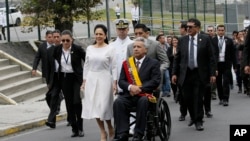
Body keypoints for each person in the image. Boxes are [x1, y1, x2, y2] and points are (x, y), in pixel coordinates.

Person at [172, 18, 216, 131]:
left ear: (197, 28)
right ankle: (193, 116)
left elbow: (211, 57)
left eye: (191, 27)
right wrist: (174, 73)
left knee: (198, 98)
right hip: (185, 74)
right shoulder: (182, 40)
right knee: (187, 98)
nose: (188, 29)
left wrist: (212, 73)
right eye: (187, 27)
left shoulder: (205, 39)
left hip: (199, 73)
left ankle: (199, 120)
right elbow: (177, 58)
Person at [113, 37, 161, 141]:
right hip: (129, 95)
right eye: (134, 47)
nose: (135, 49)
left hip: (145, 95)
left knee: (143, 101)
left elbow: (155, 80)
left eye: (138, 47)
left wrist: (140, 88)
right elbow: (121, 81)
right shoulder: (126, 63)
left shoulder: (153, 63)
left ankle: (138, 134)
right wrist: (130, 87)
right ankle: (122, 133)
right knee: (118, 102)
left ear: (145, 50)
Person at [81, 24, 117, 141]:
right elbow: (86, 65)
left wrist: (115, 82)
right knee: (95, 108)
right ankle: (102, 132)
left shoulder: (110, 48)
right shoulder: (90, 49)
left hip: (105, 78)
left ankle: (110, 127)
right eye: (96, 34)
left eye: (101, 34)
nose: (98, 36)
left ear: (105, 35)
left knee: (104, 107)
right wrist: (84, 81)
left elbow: (115, 67)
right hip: (91, 78)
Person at [53, 30, 85, 137]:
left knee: (76, 101)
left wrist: (85, 76)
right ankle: (74, 128)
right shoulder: (57, 49)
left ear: (72, 40)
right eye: (63, 40)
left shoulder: (77, 49)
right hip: (64, 78)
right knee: (69, 103)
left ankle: (80, 127)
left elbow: (87, 61)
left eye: (68, 40)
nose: (65, 42)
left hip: (75, 78)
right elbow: (51, 62)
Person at [211, 24, 237, 106]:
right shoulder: (213, 40)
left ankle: (226, 99)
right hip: (217, 64)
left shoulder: (229, 40)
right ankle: (221, 98)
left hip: (226, 64)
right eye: (219, 30)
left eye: (222, 30)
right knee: (218, 82)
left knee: (226, 81)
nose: (221, 32)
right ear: (217, 31)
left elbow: (233, 54)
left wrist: (235, 65)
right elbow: (211, 54)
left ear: (224, 31)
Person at [45, 29, 62, 129]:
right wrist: (48, 81)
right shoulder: (49, 51)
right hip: (55, 77)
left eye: (57, 37)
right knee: (50, 97)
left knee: (70, 100)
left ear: (60, 37)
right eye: (54, 37)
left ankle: (72, 118)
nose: (55, 39)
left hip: (65, 76)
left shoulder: (65, 48)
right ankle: (52, 120)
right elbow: (48, 67)